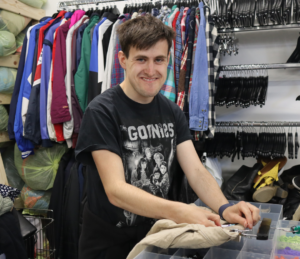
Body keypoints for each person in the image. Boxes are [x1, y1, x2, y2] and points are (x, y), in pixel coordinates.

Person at [75, 15, 260, 259]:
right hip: (109, 245)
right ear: (123, 60)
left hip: (158, 237)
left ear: (168, 61)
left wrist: (225, 207)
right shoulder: (102, 111)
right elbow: (116, 190)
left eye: (159, 60)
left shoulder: (172, 111)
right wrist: (182, 211)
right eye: (141, 59)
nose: (151, 70)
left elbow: (195, 171)